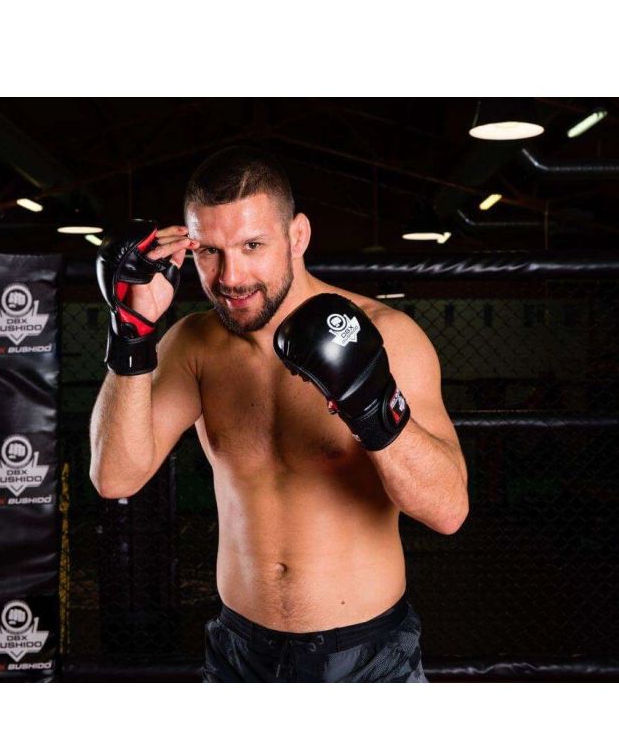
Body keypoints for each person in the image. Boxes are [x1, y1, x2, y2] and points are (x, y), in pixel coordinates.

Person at [89, 146, 469, 682]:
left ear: (297, 237)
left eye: (252, 245)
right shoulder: (194, 344)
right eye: (210, 251)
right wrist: (132, 332)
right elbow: (114, 477)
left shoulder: (387, 335)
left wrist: (371, 403)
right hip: (239, 653)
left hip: (367, 658)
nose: (231, 276)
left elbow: (448, 511)